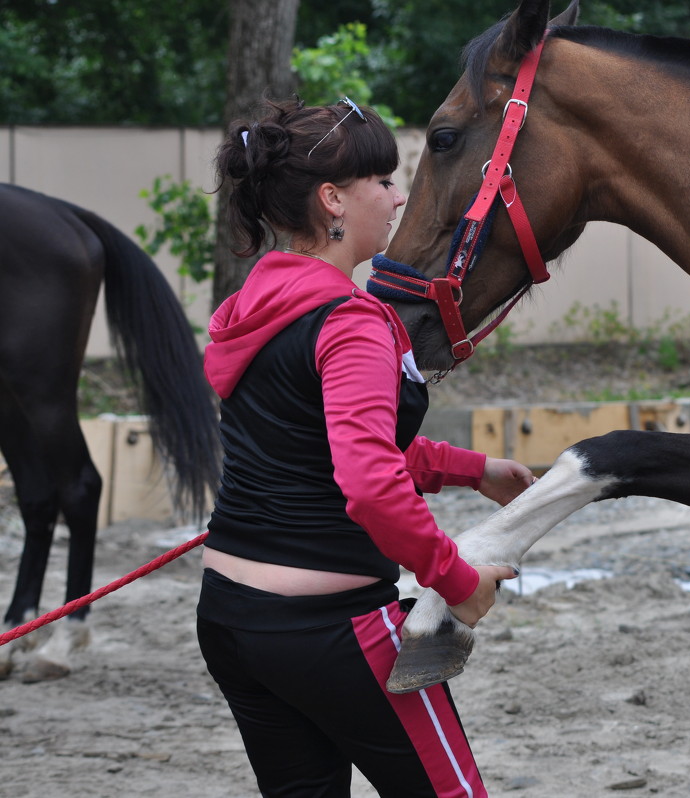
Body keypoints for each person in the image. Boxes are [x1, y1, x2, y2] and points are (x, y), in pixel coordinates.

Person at [198, 96, 534, 798]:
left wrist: (473, 470)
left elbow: (319, 445)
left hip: (232, 618)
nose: (398, 195)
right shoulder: (349, 321)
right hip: (334, 630)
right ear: (333, 202)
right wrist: (455, 578)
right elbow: (369, 481)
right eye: (382, 181)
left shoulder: (249, 307)